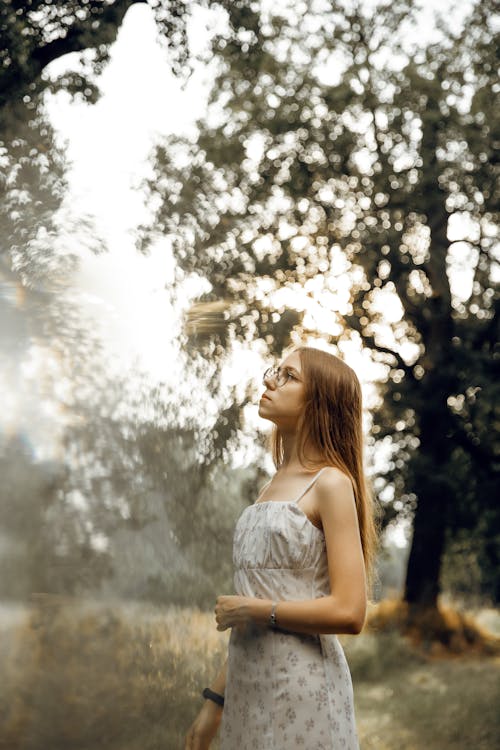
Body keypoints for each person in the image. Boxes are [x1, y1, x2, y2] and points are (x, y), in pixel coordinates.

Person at [184, 345, 379, 750]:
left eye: (288, 376)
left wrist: (255, 610)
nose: (269, 380)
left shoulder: (331, 484)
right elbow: (250, 614)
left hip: (304, 692)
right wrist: (213, 706)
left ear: (319, 402)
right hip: (247, 691)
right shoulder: (269, 488)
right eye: (276, 371)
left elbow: (350, 611)